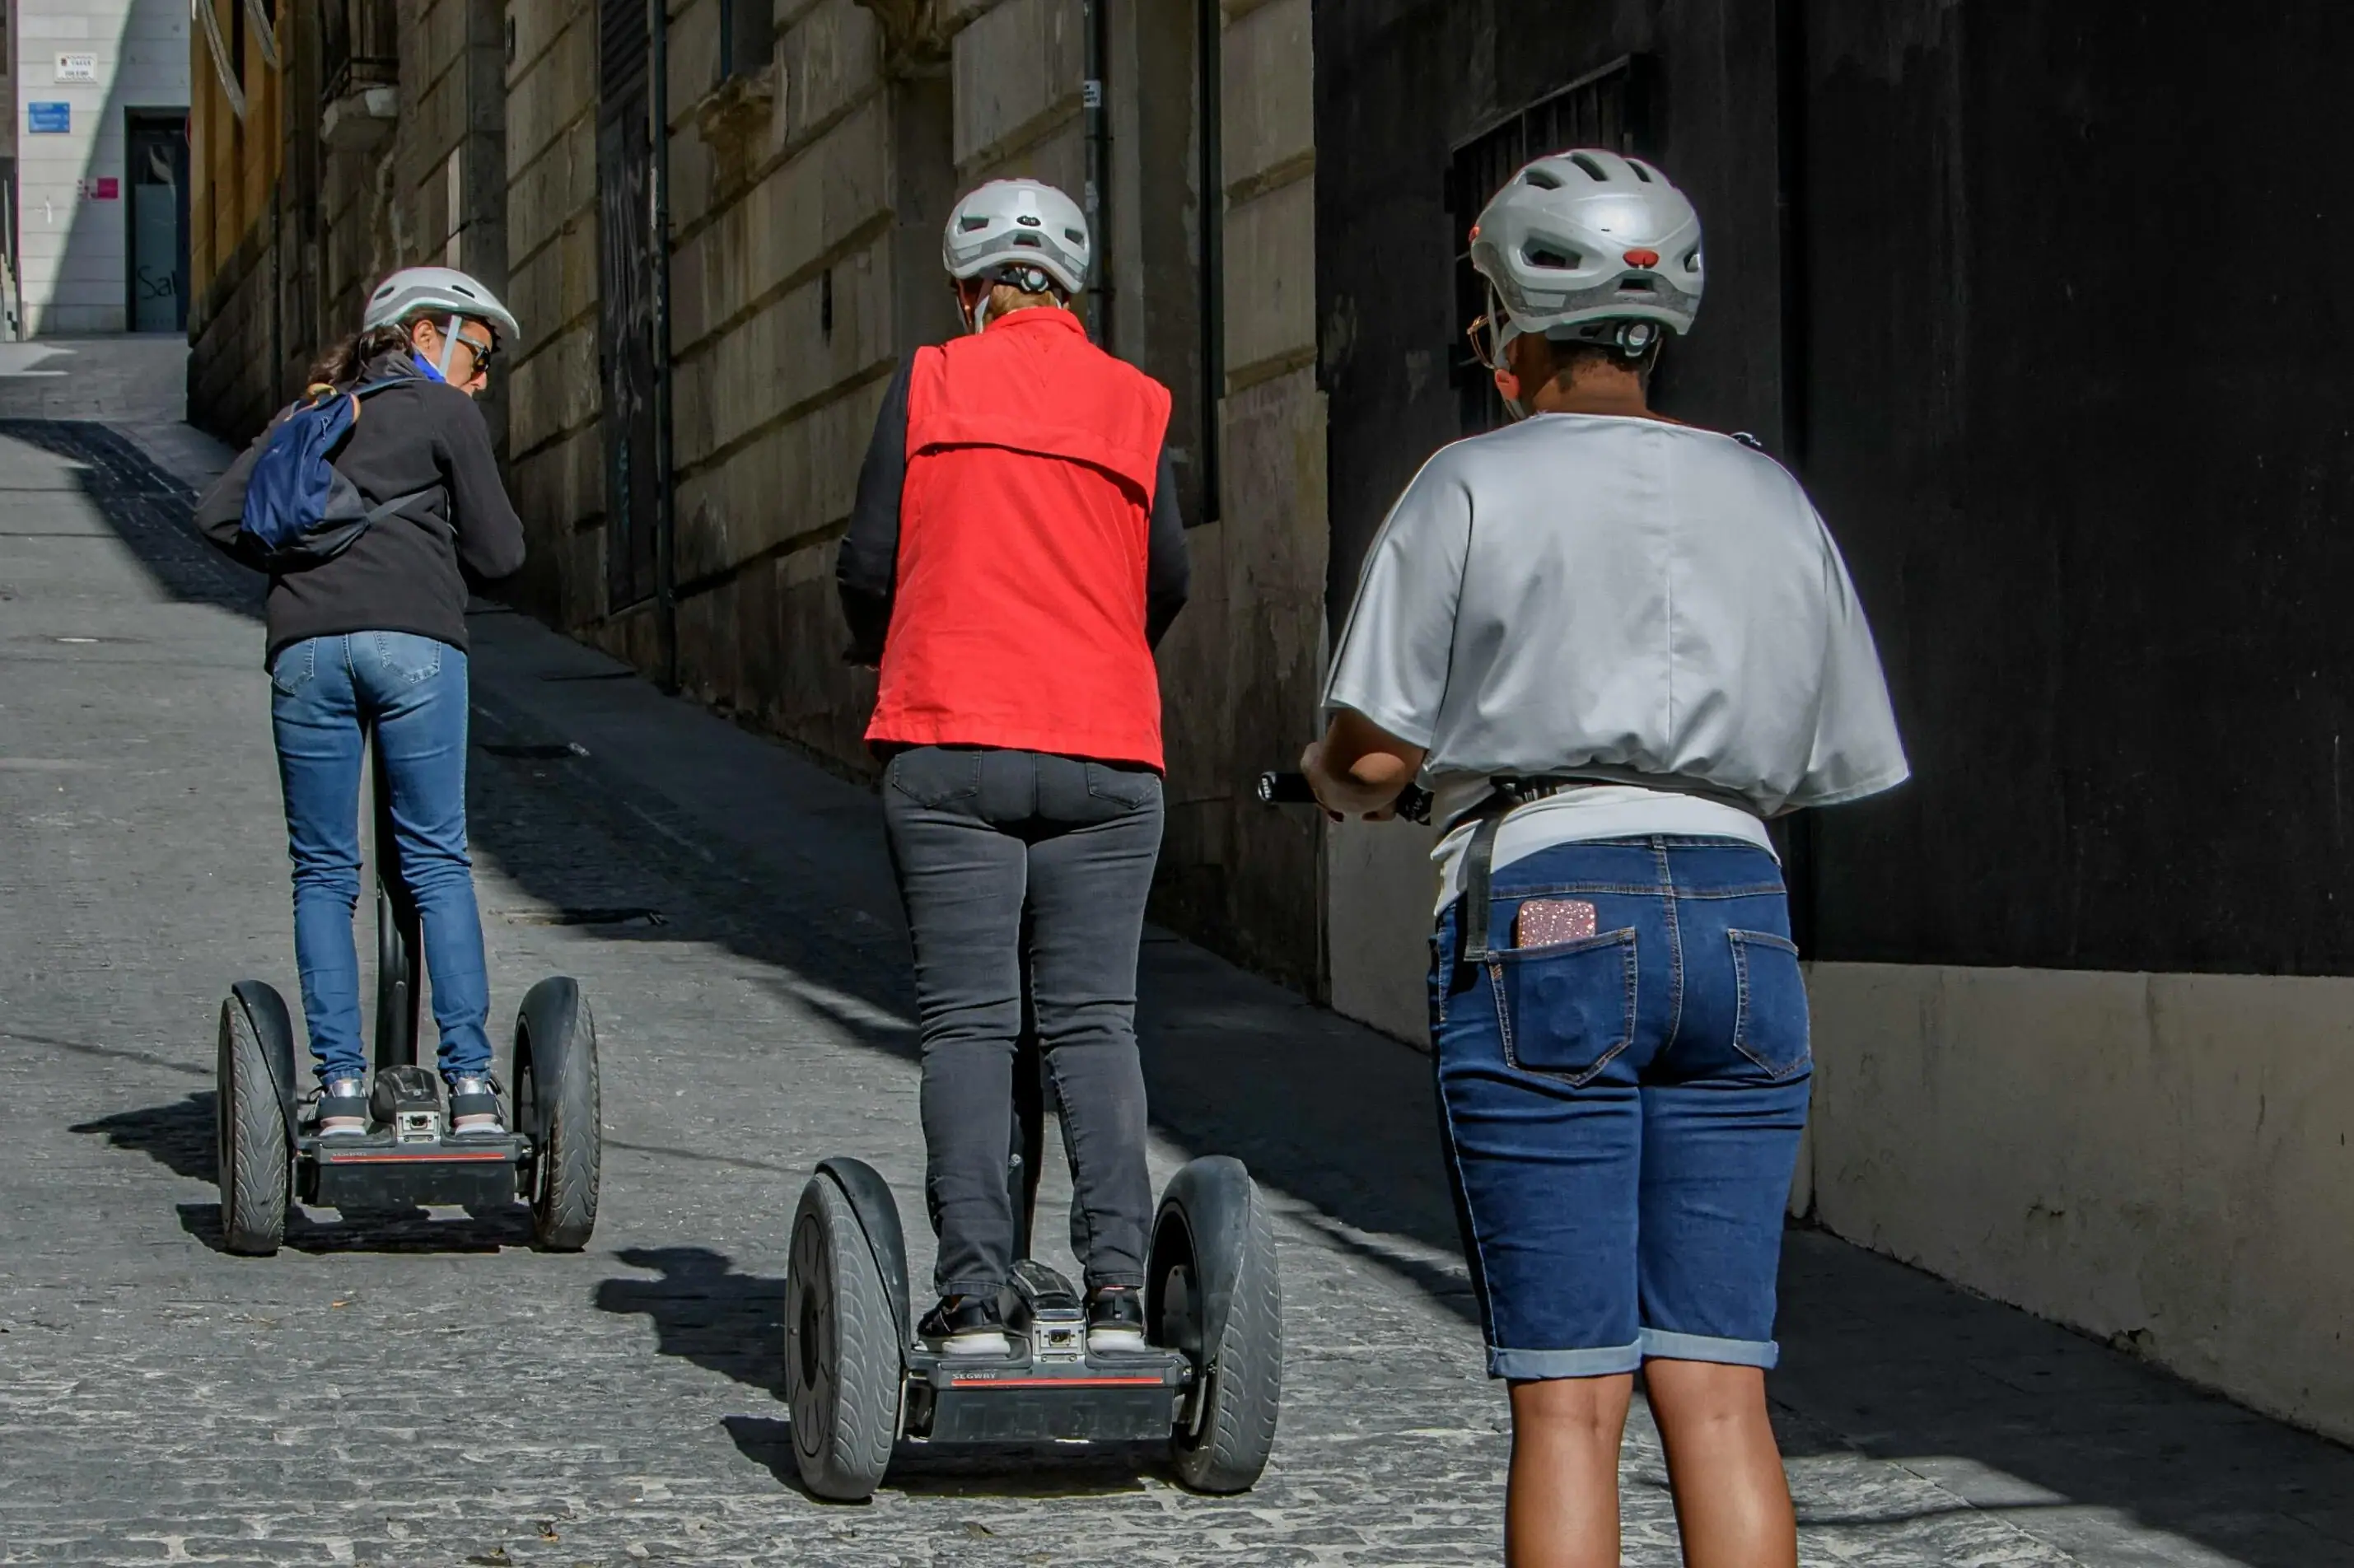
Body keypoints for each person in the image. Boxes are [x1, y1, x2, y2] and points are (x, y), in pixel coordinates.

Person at [1302, 150, 1908, 1567]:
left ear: (1509, 323)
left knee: (1571, 1395)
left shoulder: (1467, 483)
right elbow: (1835, 754)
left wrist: (1332, 780)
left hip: (1548, 913)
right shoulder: (1771, 498)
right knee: (1717, 1381)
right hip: (1742, 918)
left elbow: (1376, 751)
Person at [836, 178, 1190, 1357]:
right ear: (1072, 291)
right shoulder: (1136, 402)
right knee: (1095, 1022)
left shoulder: (933, 381)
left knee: (969, 1026)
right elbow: (1168, 579)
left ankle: (978, 1301)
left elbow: (869, 559)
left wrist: (889, 649)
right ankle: (1120, 1300)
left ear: (965, 289)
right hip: (1103, 749)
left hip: (951, 739)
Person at [197, 266, 527, 1139]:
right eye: (478, 353)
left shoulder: (306, 414)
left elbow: (218, 515)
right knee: (435, 860)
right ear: (425, 335)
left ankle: (339, 1090)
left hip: (305, 648)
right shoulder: (445, 414)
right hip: (416, 645)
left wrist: (303, 570)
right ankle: (468, 1088)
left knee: (323, 872)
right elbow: (500, 553)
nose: (483, 376)